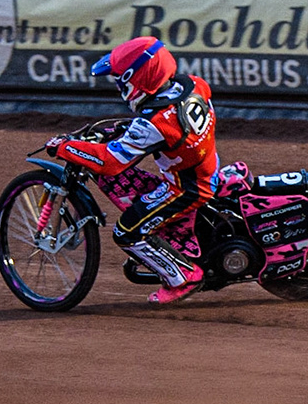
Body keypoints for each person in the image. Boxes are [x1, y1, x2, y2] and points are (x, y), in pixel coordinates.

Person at [48, 37, 220, 305]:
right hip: (206, 166)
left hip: (186, 188)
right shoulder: (194, 85)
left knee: (127, 232)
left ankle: (183, 277)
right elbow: (162, 121)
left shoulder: (155, 123)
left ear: (138, 78)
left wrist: (66, 148)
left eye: (121, 81)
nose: (120, 87)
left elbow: (111, 162)